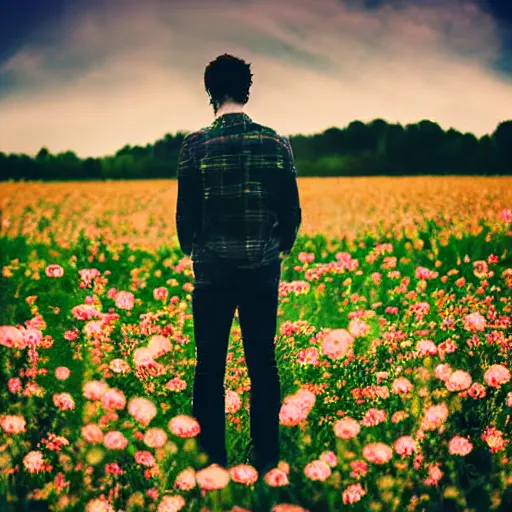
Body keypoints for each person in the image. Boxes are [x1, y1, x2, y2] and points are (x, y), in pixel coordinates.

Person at [175, 53, 302, 477]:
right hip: (262, 273)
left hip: (212, 275)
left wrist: (197, 252)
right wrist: (275, 250)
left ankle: (212, 464)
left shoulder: (194, 145)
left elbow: (185, 219)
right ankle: (267, 463)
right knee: (262, 365)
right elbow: (292, 213)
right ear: (247, 90)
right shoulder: (277, 142)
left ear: (211, 92)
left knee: (209, 366)